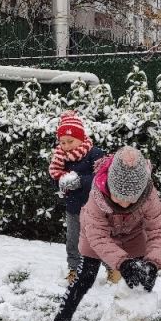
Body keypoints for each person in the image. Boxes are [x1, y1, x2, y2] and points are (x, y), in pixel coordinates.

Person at [47, 146, 161, 321]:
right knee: (85, 277)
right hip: (96, 237)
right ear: (109, 187)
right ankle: (61, 320)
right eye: (119, 198)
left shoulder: (149, 196)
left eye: (131, 200)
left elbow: (159, 230)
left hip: (132, 236)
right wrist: (122, 263)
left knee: (142, 279)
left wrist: (153, 263)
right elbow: (97, 236)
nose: (124, 205)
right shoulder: (96, 195)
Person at [48, 111, 112, 283]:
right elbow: (55, 178)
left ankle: (112, 268)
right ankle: (74, 269)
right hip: (73, 207)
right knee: (73, 240)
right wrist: (61, 182)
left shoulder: (95, 153)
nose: (66, 145)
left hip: (95, 208)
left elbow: (103, 178)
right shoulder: (60, 157)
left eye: (70, 141)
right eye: (63, 142)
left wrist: (79, 180)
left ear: (81, 138)